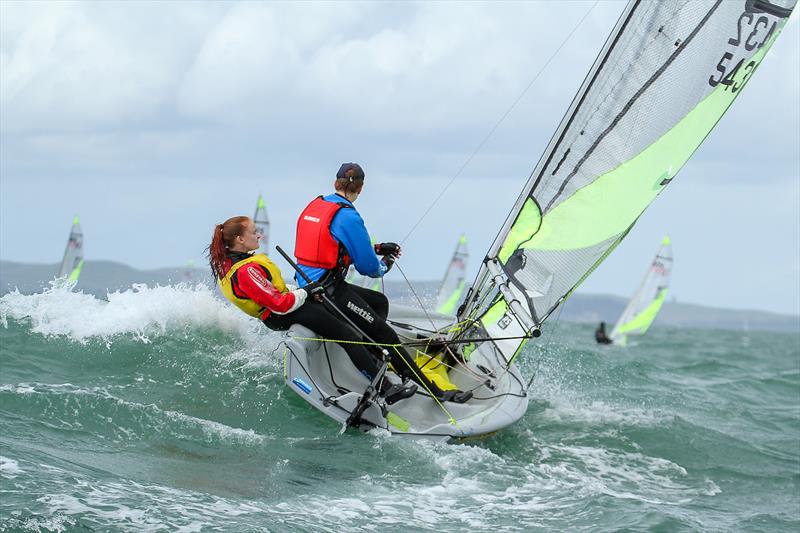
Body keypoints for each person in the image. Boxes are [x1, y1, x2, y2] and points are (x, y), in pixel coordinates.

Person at [294, 162, 472, 404]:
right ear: (361, 187)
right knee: (386, 334)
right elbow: (370, 269)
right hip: (328, 292)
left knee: (378, 302)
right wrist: (386, 262)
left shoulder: (318, 205)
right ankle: (435, 392)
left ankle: (373, 354)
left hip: (309, 285)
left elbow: (332, 245)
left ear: (335, 183)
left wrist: (377, 248)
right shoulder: (348, 216)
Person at [207, 215, 416, 405]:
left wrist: (304, 292)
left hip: (285, 307)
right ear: (239, 239)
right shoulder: (245, 271)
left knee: (356, 311)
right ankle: (386, 390)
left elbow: (274, 291)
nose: (259, 235)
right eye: (253, 232)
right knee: (346, 334)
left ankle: (371, 358)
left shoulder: (236, 263)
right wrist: (306, 291)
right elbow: (280, 304)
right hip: (282, 315)